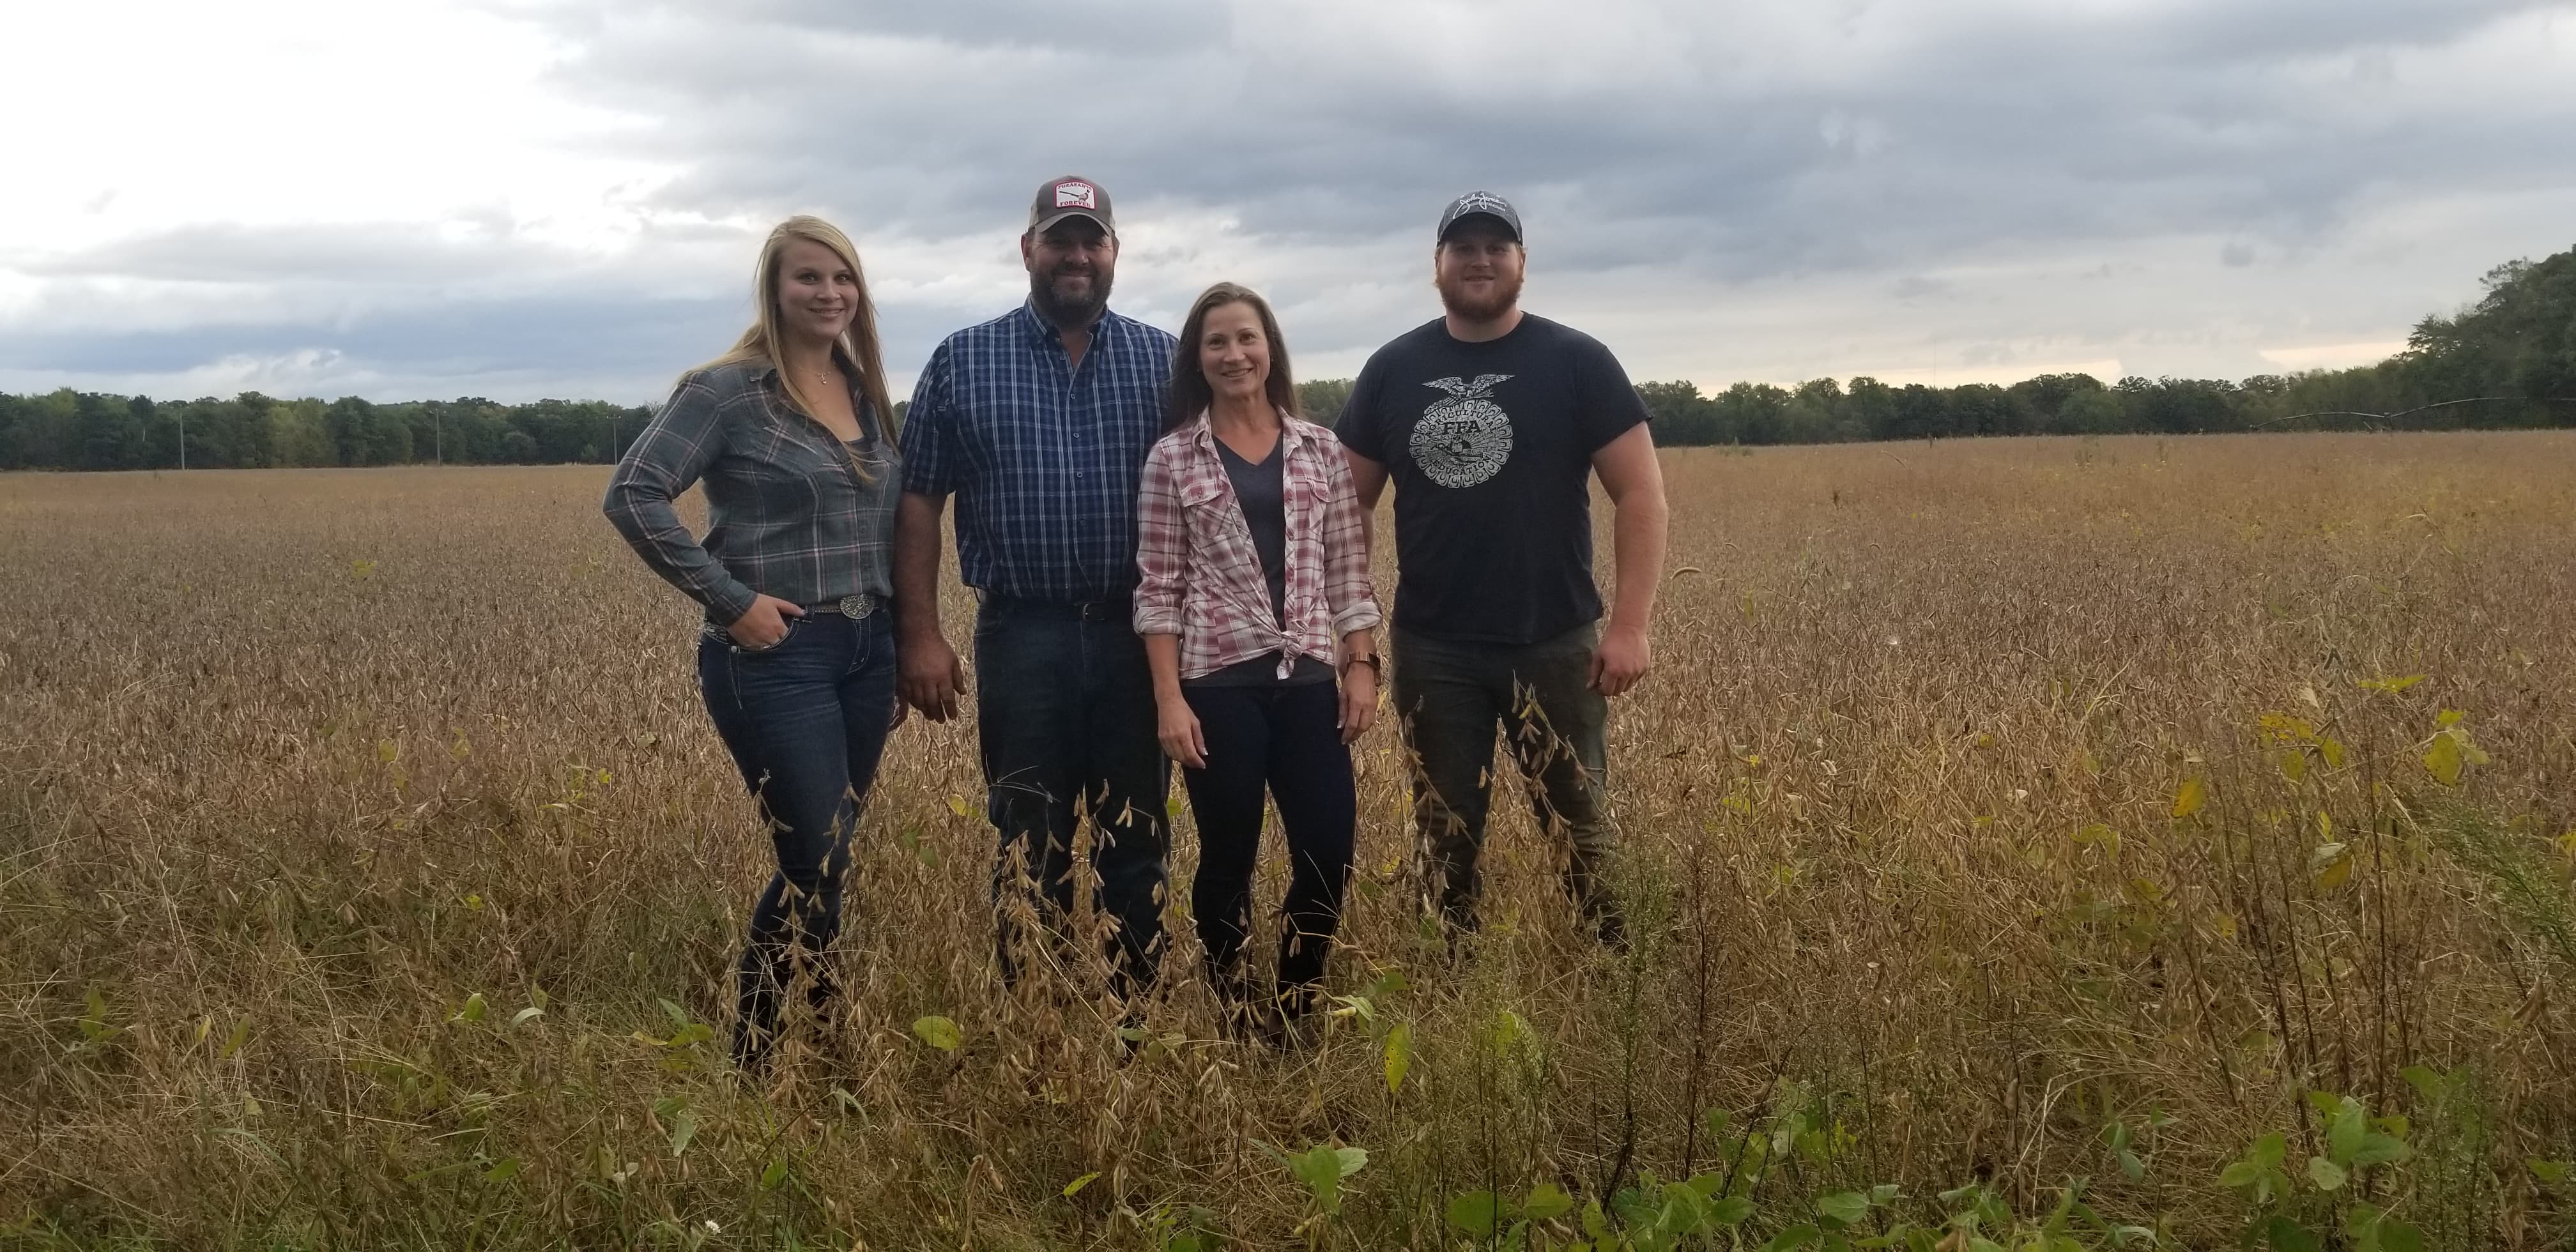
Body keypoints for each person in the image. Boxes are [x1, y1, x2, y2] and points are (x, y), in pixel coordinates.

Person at [603, 215, 906, 1069]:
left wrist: (899, 643)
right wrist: (732, 601)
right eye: (809, 278)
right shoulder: (728, 391)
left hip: (865, 649)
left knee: (831, 857)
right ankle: (761, 1058)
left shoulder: (862, 385)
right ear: (774, 289)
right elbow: (635, 495)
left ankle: (815, 1042)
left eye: (842, 278)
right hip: (777, 657)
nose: (829, 294)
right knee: (816, 854)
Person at [1337, 190, 1671, 949]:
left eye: (1496, 246)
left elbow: (1641, 495)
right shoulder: (1393, 368)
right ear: (1437, 266)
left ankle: (1615, 969)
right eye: (1464, 247)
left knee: (1580, 820)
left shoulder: (1578, 362)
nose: (1480, 260)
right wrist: (1354, 633)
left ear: (1522, 262)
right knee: (1443, 827)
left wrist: (1630, 625)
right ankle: (1451, 973)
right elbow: (1343, 505)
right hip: (1435, 647)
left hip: (1554, 639)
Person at [893, 176, 1178, 1009]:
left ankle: (1136, 1021)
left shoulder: (1165, 359)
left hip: (1137, 636)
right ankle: (1036, 1025)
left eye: (1092, 239)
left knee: (1137, 840)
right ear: (1029, 250)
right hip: (1023, 636)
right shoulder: (962, 358)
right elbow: (919, 499)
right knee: (1028, 838)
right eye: (1061, 239)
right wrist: (919, 632)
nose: (1077, 255)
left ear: (1115, 252)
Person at [1135, 282, 1383, 1042]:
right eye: (1217, 342)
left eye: (1246, 337)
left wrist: (1363, 662)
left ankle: (1298, 999)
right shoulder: (1174, 457)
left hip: (1310, 678)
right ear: (1198, 359)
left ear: (1269, 346)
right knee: (1229, 853)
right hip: (1218, 683)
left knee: (1329, 850)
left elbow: (1348, 566)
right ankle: (1234, 1003)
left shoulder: (1319, 449)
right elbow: (1159, 586)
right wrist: (1170, 699)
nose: (1234, 354)